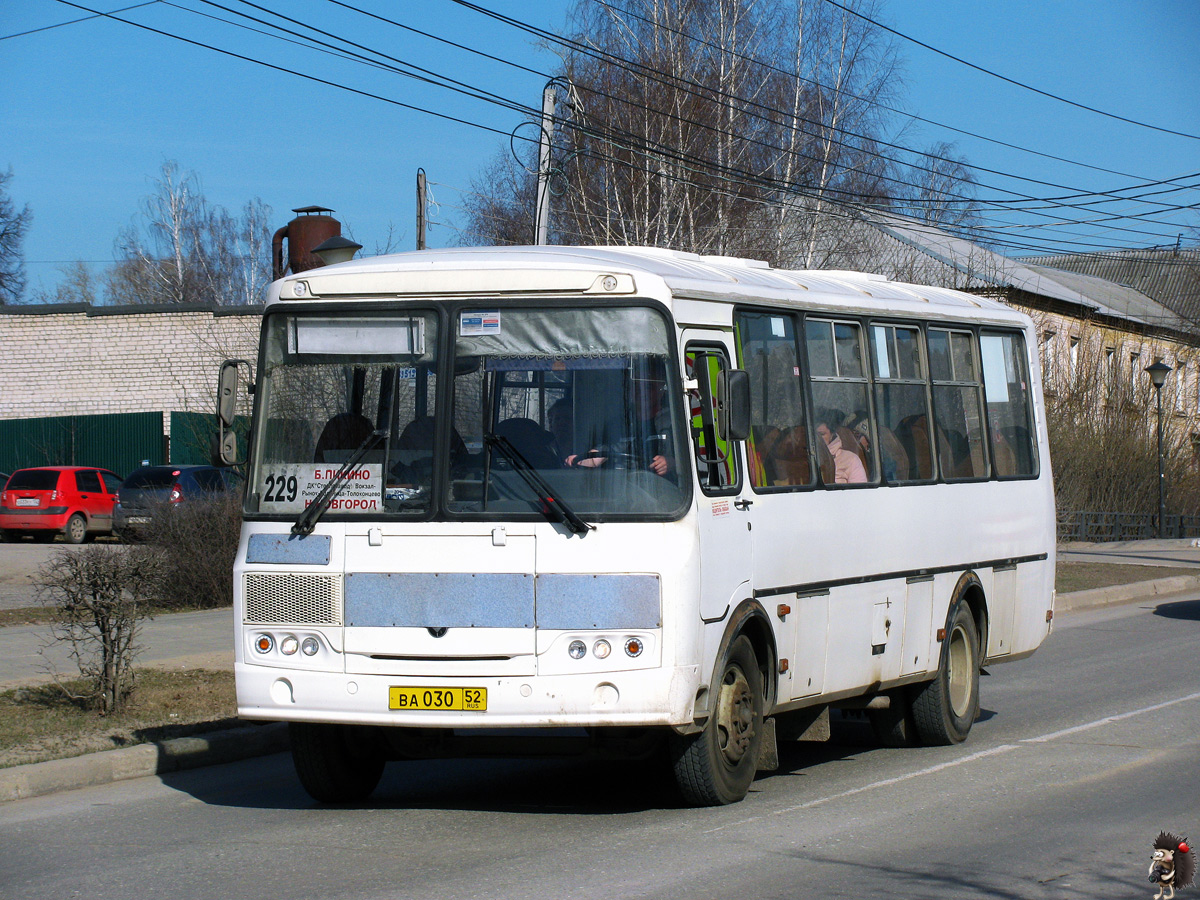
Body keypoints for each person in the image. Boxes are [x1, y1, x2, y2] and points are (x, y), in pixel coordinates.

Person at [566, 368, 674, 477]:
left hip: (660, 487)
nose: (641, 392)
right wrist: (579, 459)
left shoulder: (673, 422)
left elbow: (687, 458)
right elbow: (602, 453)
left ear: (661, 390)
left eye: (648, 387)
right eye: (636, 387)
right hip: (622, 486)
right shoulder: (620, 423)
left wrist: (670, 463)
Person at [815, 416, 867, 484]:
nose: (817, 438)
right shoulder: (801, 459)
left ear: (832, 434)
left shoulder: (851, 460)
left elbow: (859, 492)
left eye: (821, 434)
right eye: (814, 435)